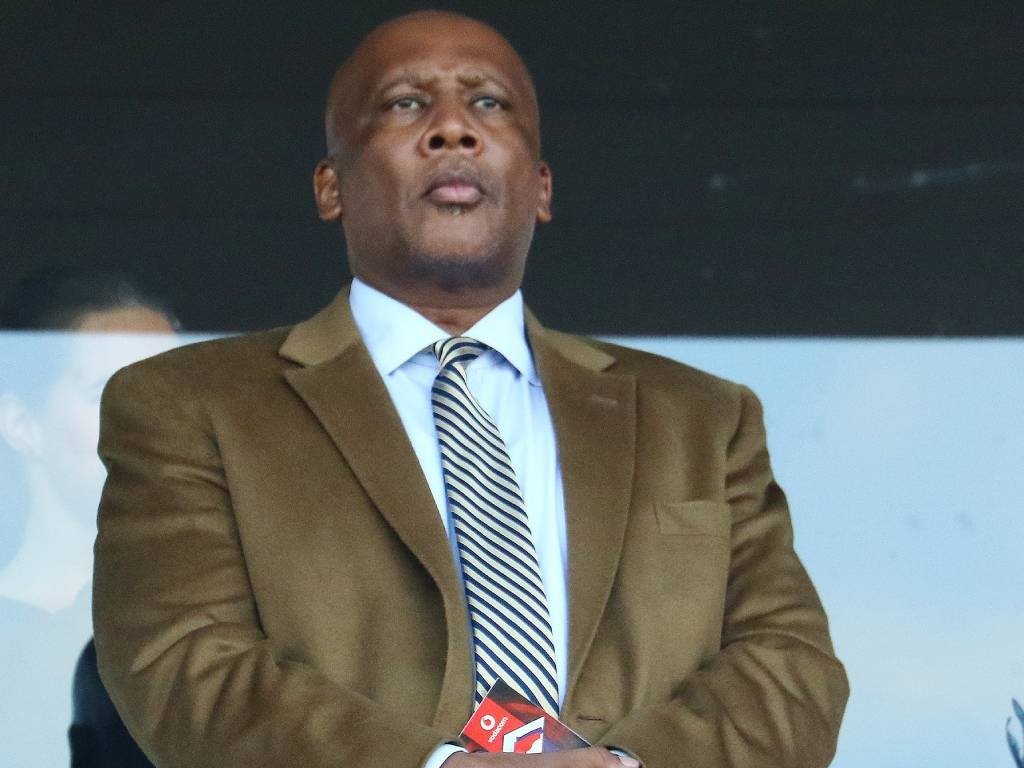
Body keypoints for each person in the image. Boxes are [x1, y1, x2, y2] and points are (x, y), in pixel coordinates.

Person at [93, 11, 849, 768]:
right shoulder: (188, 406)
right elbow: (184, 662)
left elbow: (791, 668)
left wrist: (622, 766)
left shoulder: (704, 419)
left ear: (542, 187)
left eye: (489, 104)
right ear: (330, 187)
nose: (452, 128)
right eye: (404, 104)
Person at [0, 268, 175, 767]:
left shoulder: (234, 614)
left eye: (172, 390)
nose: (153, 419)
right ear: (21, 423)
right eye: (108, 391)